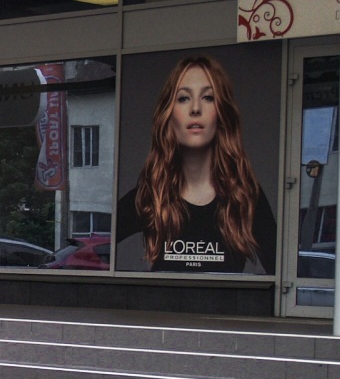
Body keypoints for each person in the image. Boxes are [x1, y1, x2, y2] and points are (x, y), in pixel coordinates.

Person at [116, 55, 276, 273]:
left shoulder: (245, 196)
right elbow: (91, 254)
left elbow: (283, 275)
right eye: (183, 98)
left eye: (208, 97)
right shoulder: (150, 196)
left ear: (222, 112)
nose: (195, 109)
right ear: (169, 114)